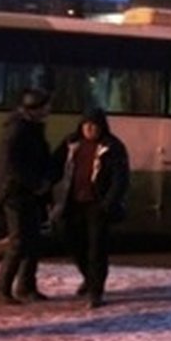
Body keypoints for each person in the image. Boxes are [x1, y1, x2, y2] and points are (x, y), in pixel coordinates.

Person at [50, 107, 130, 308]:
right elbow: (54, 166)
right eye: (86, 124)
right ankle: (89, 277)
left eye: (94, 125)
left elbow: (120, 179)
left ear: (102, 126)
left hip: (97, 205)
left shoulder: (112, 146)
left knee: (96, 249)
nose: (89, 129)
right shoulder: (71, 143)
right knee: (71, 241)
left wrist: (108, 203)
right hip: (72, 204)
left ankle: (96, 292)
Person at [0, 87, 54, 305]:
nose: (49, 110)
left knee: (33, 241)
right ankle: (0, 288)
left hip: (27, 192)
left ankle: (26, 287)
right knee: (18, 242)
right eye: (46, 106)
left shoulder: (32, 127)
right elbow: (12, 165)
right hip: (15, 193)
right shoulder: (17, 129)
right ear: (35, 108)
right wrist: (36, 184)